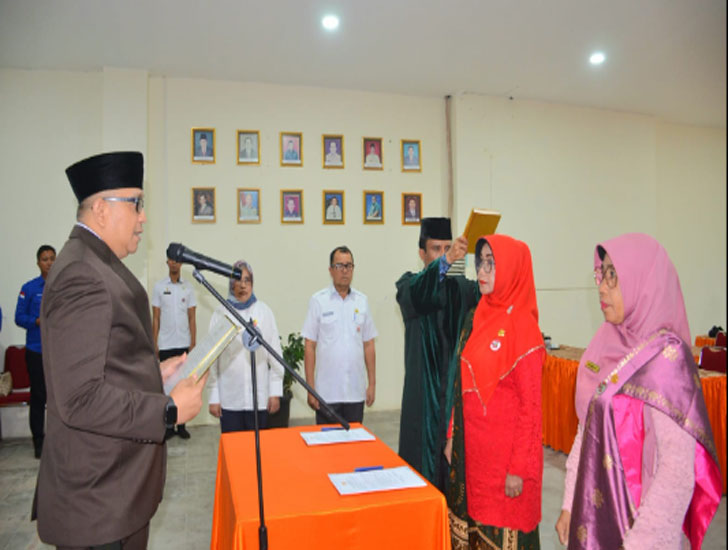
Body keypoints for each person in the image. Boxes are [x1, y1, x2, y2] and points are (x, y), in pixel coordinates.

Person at [33, 151, 207, 549]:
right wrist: (167, 411)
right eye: (136, 204)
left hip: (113, 493)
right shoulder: (82, 274)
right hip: (97, 501)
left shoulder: (96, 263)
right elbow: (79, 397)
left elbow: (102, 363)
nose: (143, 217)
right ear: (101, 209)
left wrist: (152, 375)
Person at [555, 233, 722, 550]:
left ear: (642, 282)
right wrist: (569, 503)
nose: (601, 287)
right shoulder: (606, 343)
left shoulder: (667, 360)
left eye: (613, 275)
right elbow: (586, 431)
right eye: (601, 274)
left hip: (642, 532)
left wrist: (639, 543)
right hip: (595, 520)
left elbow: (676, 473)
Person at [437, 234, 545, 550]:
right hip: (472, 458)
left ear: (511, 269)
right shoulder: (476, 317)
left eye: (491, 264)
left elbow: (531, 408)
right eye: (480, 262)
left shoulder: (525, 328)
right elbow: (460, 384)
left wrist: (519, 469)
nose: (482, 271)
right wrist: (452, 435)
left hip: (505, 467)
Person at [395, 219, 478, 489]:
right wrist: (448, 259)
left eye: (447, 248)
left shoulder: (461, 289)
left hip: (453, 401)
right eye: (436, 249)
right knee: (420, 477)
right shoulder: (409, 286)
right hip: (422, 402)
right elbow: (420, 292)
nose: (444, 254)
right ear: (422, 253)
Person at [302, 246, 377, 424]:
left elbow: (369, 344)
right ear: (330, 270)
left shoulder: (362, 301)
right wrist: (310, 388)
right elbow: (310, 345)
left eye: (349, 266)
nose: (344, 271)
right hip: (327, 393)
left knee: (354, 439)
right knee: (327, 440)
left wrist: (372, 384)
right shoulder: (318, 301)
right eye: (339, 266)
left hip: (355, 392)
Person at [207, 260, 284, 432]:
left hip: (259, 399)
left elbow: (276, 355)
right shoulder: (221, 314)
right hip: (229, 400)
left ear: (252, 283)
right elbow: (212, 360)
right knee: (233, 447)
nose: (242, 285)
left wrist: (275, 391)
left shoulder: (264, 312)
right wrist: (213, 395)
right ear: (231, 284)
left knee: (257, 447)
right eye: (237, 280)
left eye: (247, 280)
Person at [14, 244, 56, 458]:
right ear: (38, 263)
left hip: (58, 352)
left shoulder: (63, 287)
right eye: (45, 259)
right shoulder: (29, 288)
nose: (49, 263)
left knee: (58, 398)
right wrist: (36, 321)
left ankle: (59, 441)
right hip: (36, 351)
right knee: (39, 397)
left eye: (52, 258)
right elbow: (19, 317)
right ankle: (39, 442)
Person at [152, 251, 198, 440]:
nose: (174, 264)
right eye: (171, 260)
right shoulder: (159, 287)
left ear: (181, 264)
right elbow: (156, 317)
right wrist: (154, 342)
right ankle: (169, 426)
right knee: (166, 385)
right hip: (165, 343)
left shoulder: (188, 288)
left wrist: (193, 342)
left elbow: (192, 317)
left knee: (182, 383)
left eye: (177, 261)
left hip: (183, 342)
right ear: (167, 262)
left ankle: (182, 425)